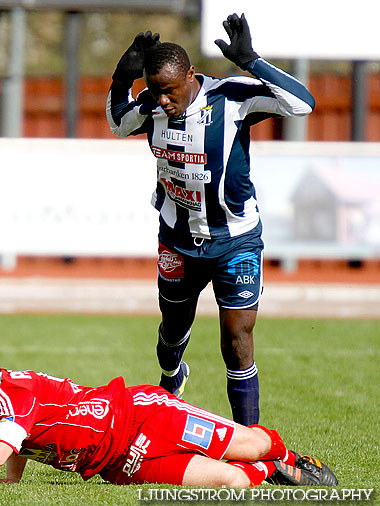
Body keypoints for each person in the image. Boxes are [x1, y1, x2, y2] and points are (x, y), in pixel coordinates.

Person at [105, 14, 316, 426]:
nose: (162, 101)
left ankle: (249, 439)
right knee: (171, 332)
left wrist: (251, 60)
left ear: (189, 75)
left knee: (237, 339)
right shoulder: (150, 105)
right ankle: (172, 372)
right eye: (154, 91)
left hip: (235, 239)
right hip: (178, 239)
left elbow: (303, 103)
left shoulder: (230, 97)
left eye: (169, 91)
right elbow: (117, 124)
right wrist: (121, 78)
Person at [0, 332, 337, 489]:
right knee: (233, 481)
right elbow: (17, 438)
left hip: (141, 416)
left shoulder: (12, 394)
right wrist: (14, 478)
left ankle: (284, 456)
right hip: (117, 463)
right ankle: (270, 472)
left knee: (249, 442)